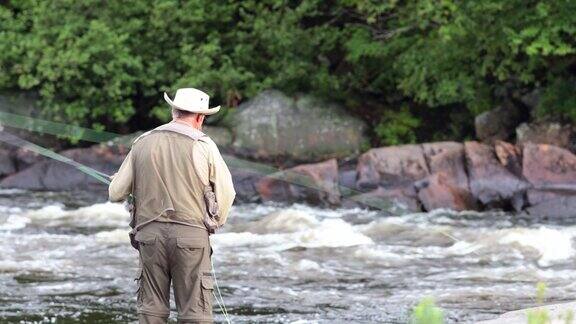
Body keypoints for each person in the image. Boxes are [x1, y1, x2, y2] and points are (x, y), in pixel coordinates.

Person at [109, 88, 236, 324]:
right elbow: (227, 192)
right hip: (191, 237)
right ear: (200, 117)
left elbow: (116, 192)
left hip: (149, 237)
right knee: (194, 314)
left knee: (151, 313)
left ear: (173, 110)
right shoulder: (204, 145)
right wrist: (215, 221)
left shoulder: (142, 142)